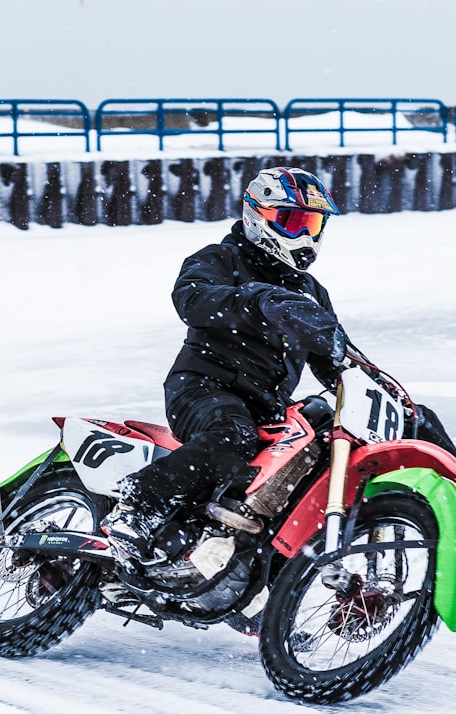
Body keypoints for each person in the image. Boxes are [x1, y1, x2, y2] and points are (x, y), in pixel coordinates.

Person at [100, 167, 348, 562]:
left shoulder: (310, 292)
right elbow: (192, 299)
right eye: (292, 221)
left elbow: (335, 356)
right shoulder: (221, 259)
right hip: (203, 388)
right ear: (258, 214)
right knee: (232, 433)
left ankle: (248, 559)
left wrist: (368, 381)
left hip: (267, 410)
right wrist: (258, 300)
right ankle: (136, 508)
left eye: (312, 224)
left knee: (312, 454)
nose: (304, 235)